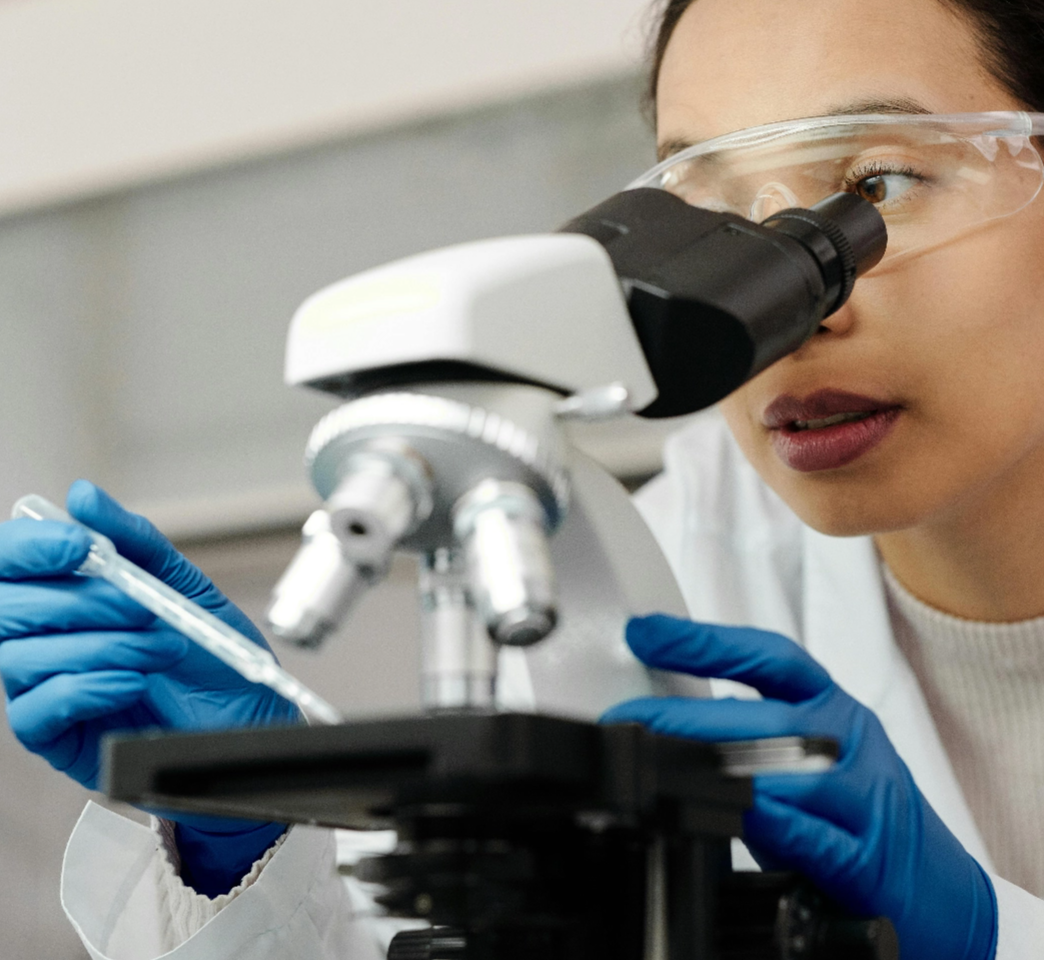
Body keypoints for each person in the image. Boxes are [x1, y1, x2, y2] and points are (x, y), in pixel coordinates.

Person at [3, 0, 1044, 956]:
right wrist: (245, 842)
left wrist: (984, 935)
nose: (797, 317)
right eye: (718, 214)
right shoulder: (647, 572)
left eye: (876, 187)